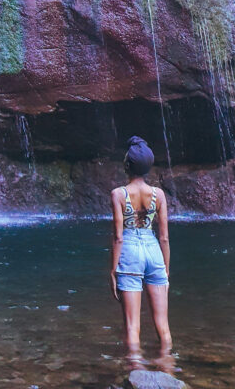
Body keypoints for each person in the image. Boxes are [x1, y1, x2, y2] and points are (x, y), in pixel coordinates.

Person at [110, 135, 171, 356]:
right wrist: (166, 268)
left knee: (132, 326)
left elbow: (118, 237)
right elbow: (164, 237)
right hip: (153, 249)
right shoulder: (159, 195)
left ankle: (135, 371)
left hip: (129, 252)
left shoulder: (118, 194)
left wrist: (113, 269)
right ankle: (168, 367)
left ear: (127, 165)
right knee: (163, 325)